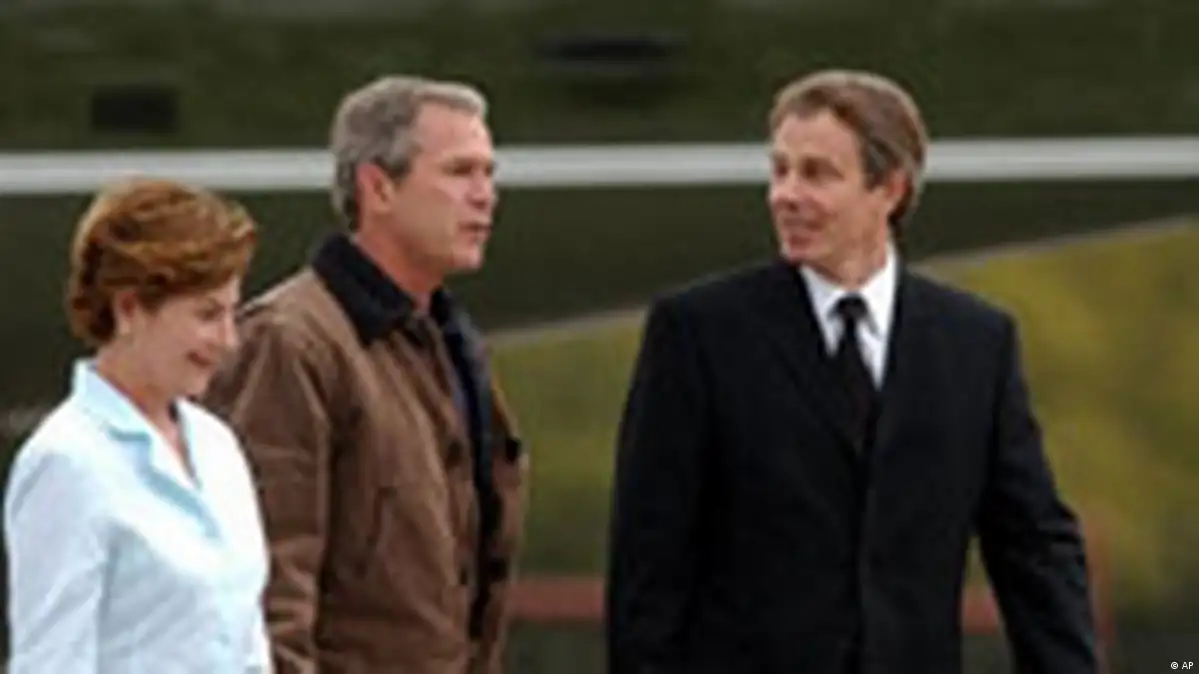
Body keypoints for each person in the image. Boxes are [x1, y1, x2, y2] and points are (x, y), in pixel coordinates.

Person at [605, 69, 1098, 674]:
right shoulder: (698, 333)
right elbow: (648, 562)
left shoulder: (976, 345)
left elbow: (1034, 548)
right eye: (780, 170)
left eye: (816, 174)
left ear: (889, 189)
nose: (785, 195)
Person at [201, 75, 528, 674]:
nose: (485, 196)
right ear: (378, 187)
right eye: (460, 172)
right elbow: (268, 582)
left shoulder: (449, 344)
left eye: (489, 173)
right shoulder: (291, 342)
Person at [3, 178, 269, 673]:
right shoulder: (66, 463)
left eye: (232, 313)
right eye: (207, 315)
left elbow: (248, 643)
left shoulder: (217, 444)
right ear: (129, 308)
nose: (229, 340)